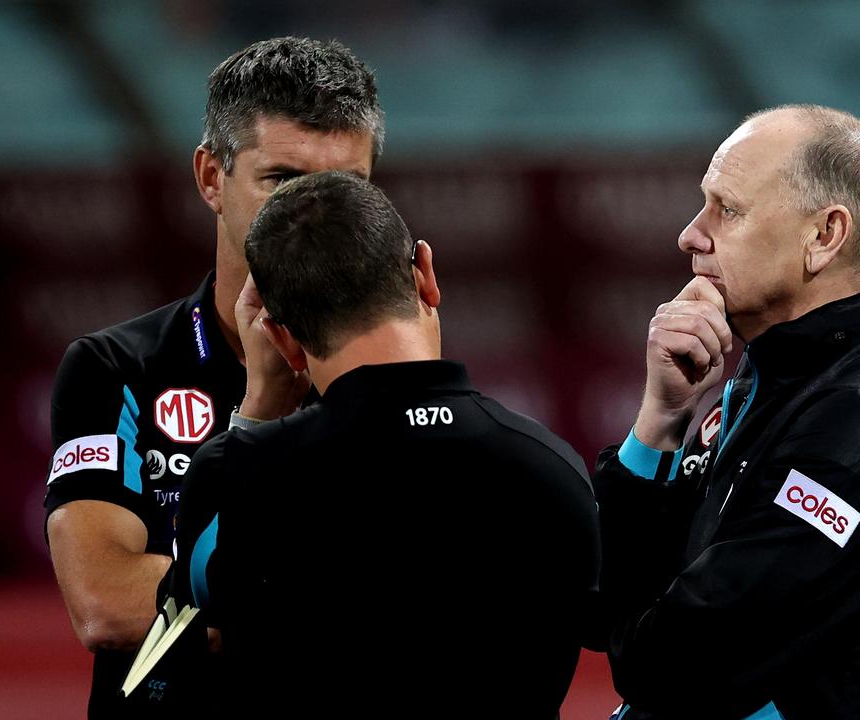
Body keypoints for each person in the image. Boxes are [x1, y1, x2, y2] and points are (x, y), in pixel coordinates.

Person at [592, 105, 860, 719]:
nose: (691, 234)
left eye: (727, 209)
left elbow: (667, 666)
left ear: (823, 236)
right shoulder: (776, 379)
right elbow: (603, 600)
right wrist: (660, 421)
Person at [171, 172, 600, 718]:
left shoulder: (239, 473)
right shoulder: (554, 465)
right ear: (425, 274)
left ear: (281, 338)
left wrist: (258, 412)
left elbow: (193, 614)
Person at [43, 37, 384, 716]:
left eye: (343, 188)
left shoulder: (389, 376)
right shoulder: (116, 369)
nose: (312, 218)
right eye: (282, 181)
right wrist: (343, 609)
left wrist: (218, 606)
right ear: (210, 178)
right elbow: (104, 600)